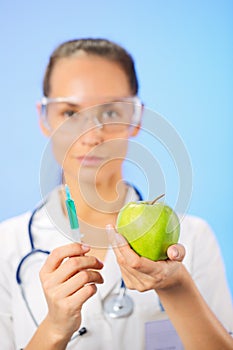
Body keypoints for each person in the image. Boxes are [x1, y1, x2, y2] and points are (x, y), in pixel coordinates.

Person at [0, 38, 232, 350]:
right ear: (45, 118)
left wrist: (177, 287)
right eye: (70, 113)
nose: (91, 135)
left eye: (110, 113)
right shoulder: (6, 247)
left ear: (135, 118)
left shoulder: (194, 236)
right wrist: (55, 328)